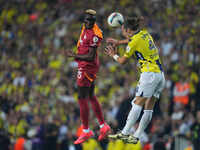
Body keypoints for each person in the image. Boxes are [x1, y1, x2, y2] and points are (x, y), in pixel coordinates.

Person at [105, 13, 165, 144]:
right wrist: (119, 42)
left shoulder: (134, 42)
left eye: (123, 32)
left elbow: (122, 61)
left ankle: (125, 133)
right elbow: (132, 41)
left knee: (137, 103)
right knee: (149, 107)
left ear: (128, 30)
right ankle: (136, 135)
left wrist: (113, 55)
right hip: (160, 75)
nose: (123, 34)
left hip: (149, 75)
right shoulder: (144, 33)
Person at [64, 9, 110, 144]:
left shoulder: (96, 34)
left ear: (94, 22)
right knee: (90, 95)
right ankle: (103, 126)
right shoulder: (86, 26)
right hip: (85, 65)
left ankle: (86, 130)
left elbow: (90, 56)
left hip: (87, 66)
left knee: (81, 97)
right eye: (85, 20)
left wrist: (74, 56)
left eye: (89, 20)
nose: (86, 22)